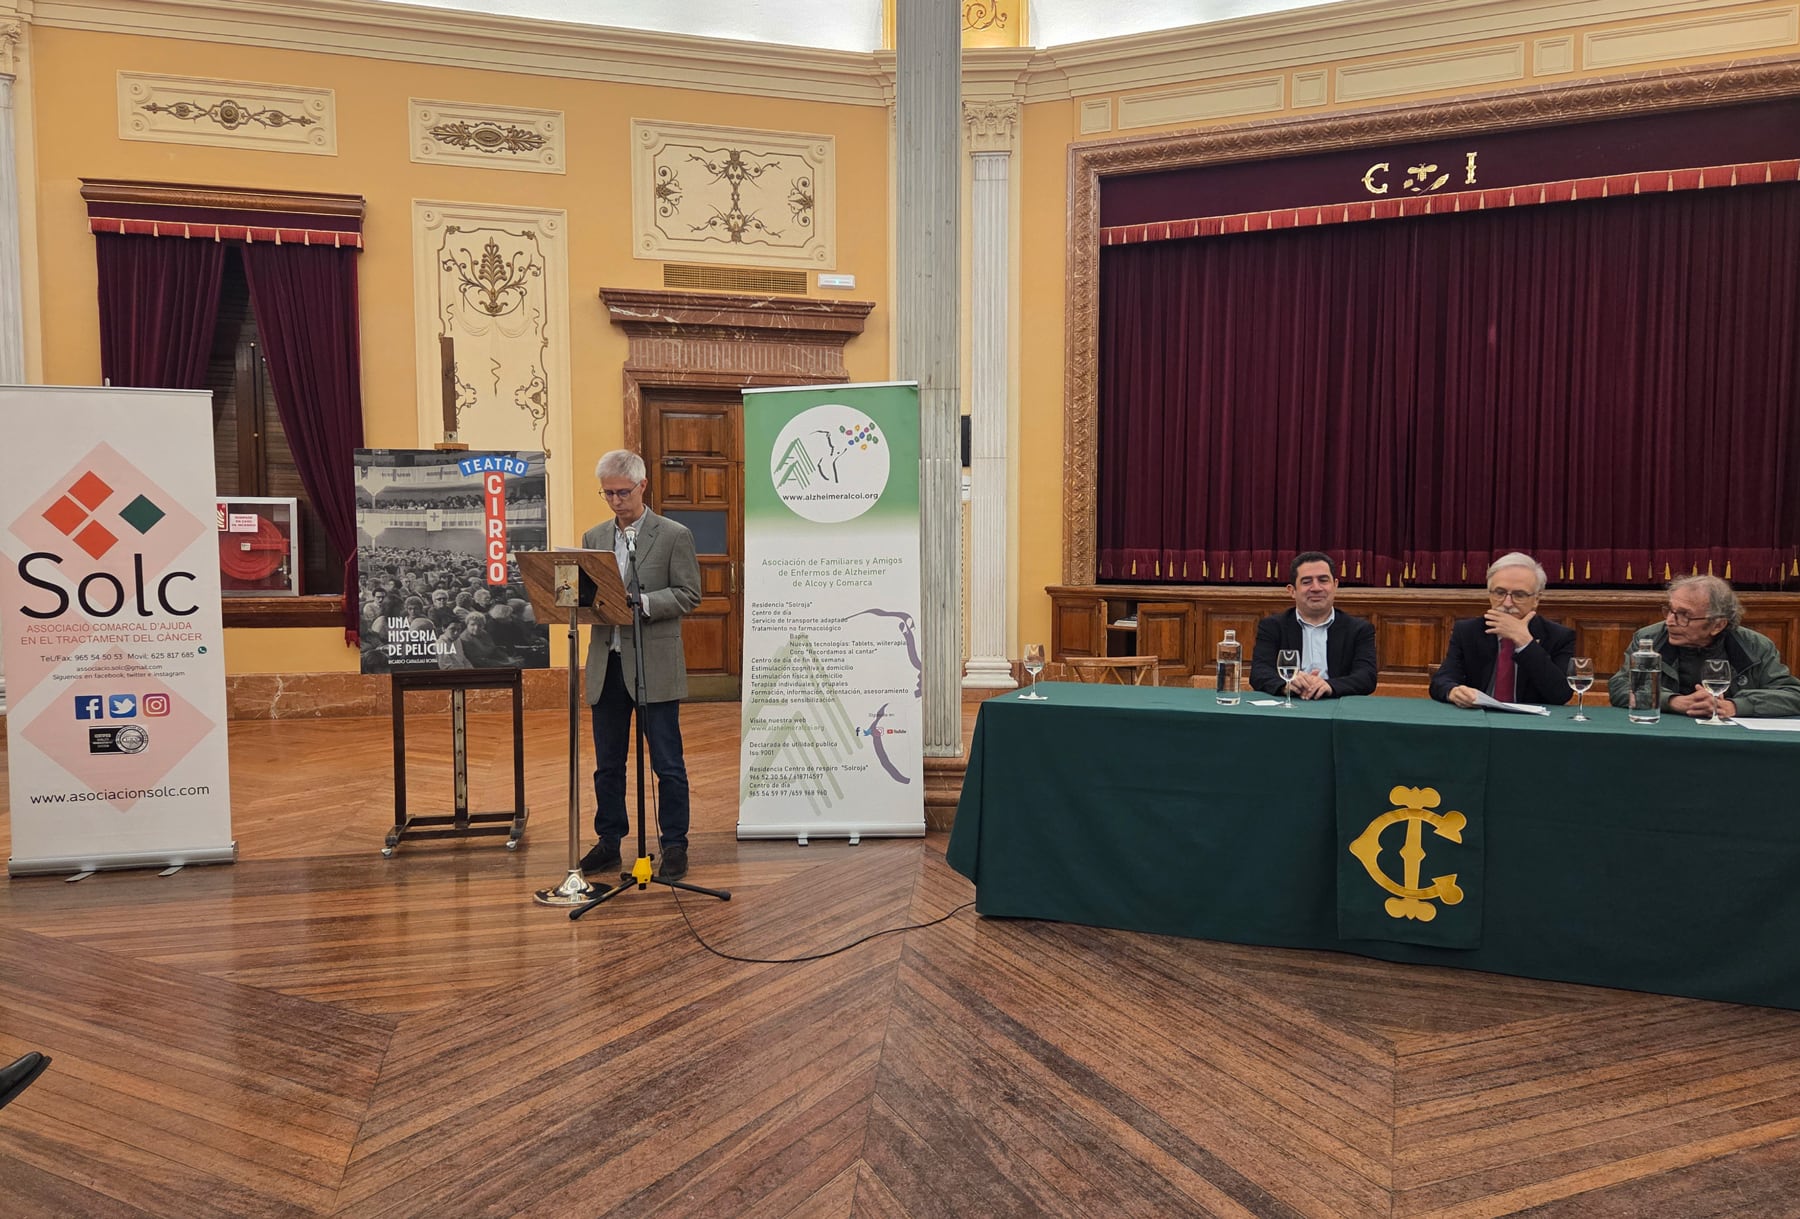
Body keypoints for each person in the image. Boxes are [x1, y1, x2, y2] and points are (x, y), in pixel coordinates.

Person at [581, 450, 701, 882]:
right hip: (606, 664)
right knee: (607, 764)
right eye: (608, 493)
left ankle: (674, 844)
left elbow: (689, 594)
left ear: (643, 486)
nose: (615, 501)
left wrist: (643, 603)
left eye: (622, 492)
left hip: (654, 665)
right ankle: (609, 841)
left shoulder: (672, 535)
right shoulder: (593, 537)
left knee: (667, 763)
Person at [1606, 574, 1800, 718]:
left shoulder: (1755, 646)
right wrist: (1674, 701)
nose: (1669, 621)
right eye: (1670, 610)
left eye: (1684, 615)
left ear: (1718, 624)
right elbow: (1621, 686)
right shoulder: (1649, 638)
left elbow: (1792, 694)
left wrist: (1736, 706)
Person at [1431, 552, 1576, 707]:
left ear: (1536, 599)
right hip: (1478, 718)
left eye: (1519, 595)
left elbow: (1561, 694)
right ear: (1489, 594)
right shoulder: (1468, 631)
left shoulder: (1559, 636)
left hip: (1532, 724)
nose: (1507, 603)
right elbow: (1441, 680)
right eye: (1500, 593)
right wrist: (1453, 691)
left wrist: (1525, 642)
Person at [1249, 551, 1377, 698]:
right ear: (1292, 591)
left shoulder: (1359, 629)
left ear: (1335, 585)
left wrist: (1329, 685)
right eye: (1306, 581)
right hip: (1290, 703)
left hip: (1337, 702)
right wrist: (1287, 684)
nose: (1316, 588)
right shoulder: (1272, 626)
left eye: (1323, 580)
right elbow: (1259, 672)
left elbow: (1366, 676)